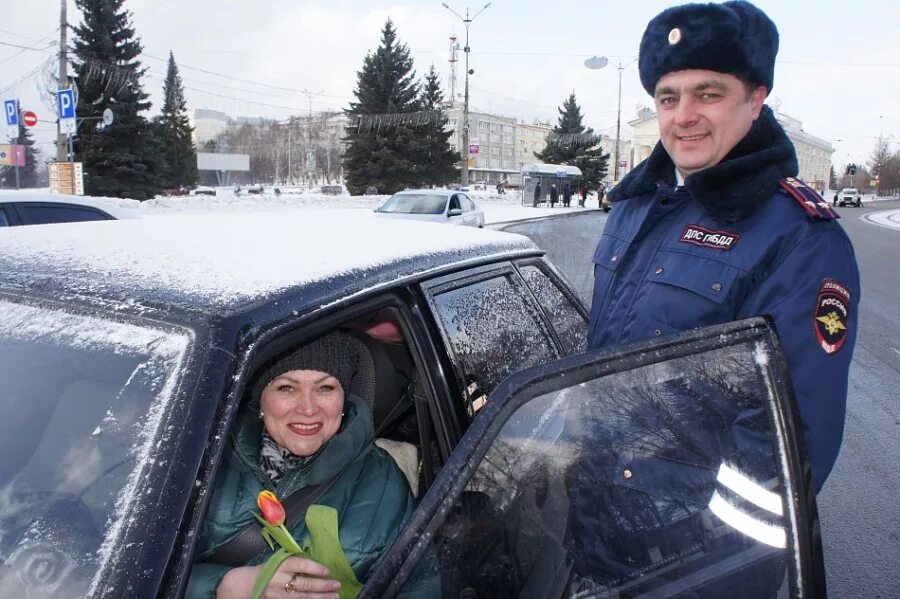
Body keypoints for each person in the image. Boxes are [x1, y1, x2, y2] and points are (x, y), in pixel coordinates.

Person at [587, 1, 859, 494]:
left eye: (708, 93)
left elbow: (788, 442)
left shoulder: (800, 238)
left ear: (756, 99)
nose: (684, 116)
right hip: (598, 500)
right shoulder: (634, 208)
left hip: (682, 549)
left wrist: (704, 556)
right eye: (668, 99)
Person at [187, 331, 431, 598]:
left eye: (325, 388)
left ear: (343, 399)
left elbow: (419, 584)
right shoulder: (201, 459)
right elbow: (139, 567)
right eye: (287, 387)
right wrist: (220, 586)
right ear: (261, 398)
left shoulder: (382, 481)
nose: (308, 408)